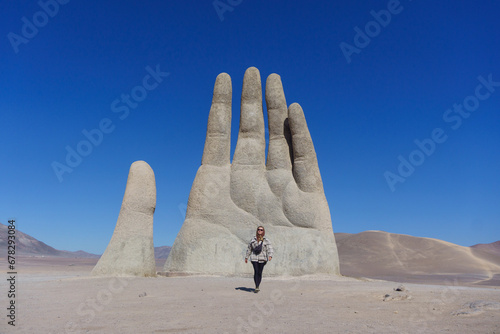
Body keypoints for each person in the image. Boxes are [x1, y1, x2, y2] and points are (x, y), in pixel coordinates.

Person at [245, 226, 273, 293]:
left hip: (262, 259)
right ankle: (256, 286)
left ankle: (258, 285)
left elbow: (270, 248)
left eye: (261, 230)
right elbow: (249, 249)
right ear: (257, 230)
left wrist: (270, 255)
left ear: (263, 231)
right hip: (254, 258)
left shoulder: (266, 240)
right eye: (258, 229)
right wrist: (246, 257)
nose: (260, 231)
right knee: (256, 271)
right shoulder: (253, 240)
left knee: (260, 272)